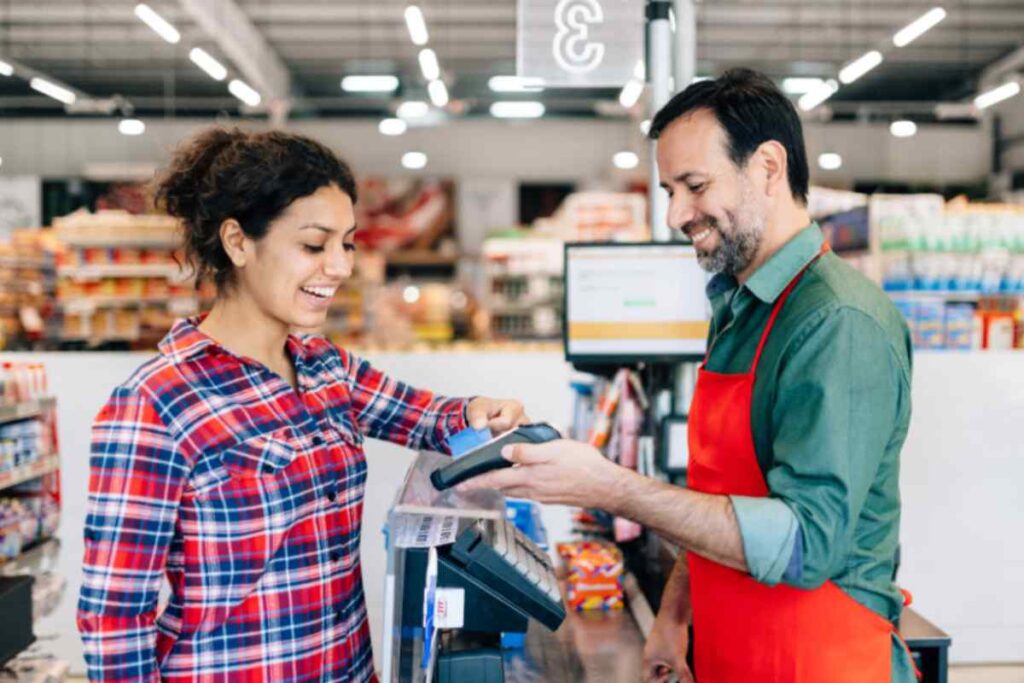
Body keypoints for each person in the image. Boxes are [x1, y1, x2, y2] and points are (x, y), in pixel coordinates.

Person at [460, 69, 918, 683]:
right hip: (736, 650)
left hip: (819, 659)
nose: (677, 213)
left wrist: (611, 487)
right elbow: (719, 492)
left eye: (695, 186)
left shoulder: (837, 323)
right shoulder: (739, 308)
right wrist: (674, 615)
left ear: (768, 167)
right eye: (670, 190)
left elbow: (807, 543)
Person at [77, 128, 526, 682]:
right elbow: (114, 618)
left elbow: (428, 418)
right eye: (315, 246)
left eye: (347, 244)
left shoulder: (324, 367)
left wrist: (483, 411)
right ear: (238, 242)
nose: (339, 267)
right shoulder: (156, 403)